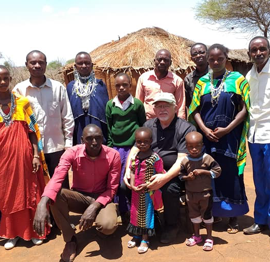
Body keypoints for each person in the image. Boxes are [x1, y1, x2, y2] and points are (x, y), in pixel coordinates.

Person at [33, 124, 121, 262]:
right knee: (55, 195)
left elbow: (112, 188)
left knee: (108, 226)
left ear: (103, 138)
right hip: (79, 197)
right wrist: (42, 203)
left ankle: (102, 218)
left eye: (98, 138)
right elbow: (57, 177)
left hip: (102, 198)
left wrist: (94, 206)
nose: (94, 143)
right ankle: (70, 240)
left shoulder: (113, 155)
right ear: (81, 140)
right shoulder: (72, 153)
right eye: (89, 138)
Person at [189, 44, 250, 234]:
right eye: (212, 59)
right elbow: (195, 110)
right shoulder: (202, 83)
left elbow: (244, 108)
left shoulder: (238, 79)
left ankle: (233, 218)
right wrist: (205, 129)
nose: (216, 62)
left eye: (220, 59)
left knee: (230, 174)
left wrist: (227, 129)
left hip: (229, 136)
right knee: (210, 175)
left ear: (226, 58)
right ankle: (213, 214)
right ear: (208, 60)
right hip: (207, 138)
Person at [124, 92, 196, 244]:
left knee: (170, 189)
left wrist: (164, 178)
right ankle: (139, 222)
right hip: (145, 170)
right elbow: (135, 149)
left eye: (166, 106)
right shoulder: (148, 125)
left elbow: (182, 160)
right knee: (125, 185)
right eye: (158, 106)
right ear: (154, 109)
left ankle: (172, 225)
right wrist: (128, 172)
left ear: (175, 108)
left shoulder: (185, 128)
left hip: (173, 173)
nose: (162, 109)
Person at [0, 65, 50, 250]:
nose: (3, 82)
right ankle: (11, 234)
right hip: (3, 162)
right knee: (7, 196)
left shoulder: (22, 102)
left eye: (6, 78)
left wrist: (36, 155)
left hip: (26, 158)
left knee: (30, 192)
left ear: (10, 79)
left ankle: (35, 231)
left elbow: (32, 132)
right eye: (0, 79)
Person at [14, 50, 74, 189]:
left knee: (60, 187)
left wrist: (68, 144)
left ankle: (60, 212)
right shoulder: (19, 90)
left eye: (41, 62)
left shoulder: (58, 88)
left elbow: (67, 117)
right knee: (35, 186)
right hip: (31, 150)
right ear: (26, 65)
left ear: (46, 65)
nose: (37, 65)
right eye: (33, 62)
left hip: (56, 147)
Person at [106, 73, 146, 214]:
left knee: (129, 178)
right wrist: (111, 147)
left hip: (132, 148)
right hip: (116, 148)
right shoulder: (111, 105)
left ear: (130, 85)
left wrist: (139, 145)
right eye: (118, 85)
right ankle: (120, 209)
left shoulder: (137, 104)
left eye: (124, 85)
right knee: (115, 178)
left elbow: (142, 125)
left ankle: (132, 210)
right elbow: (109, 128)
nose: (121, 88)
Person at [243, 36, 270, 235]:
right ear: (249, 53)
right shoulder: (248, 76)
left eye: (262, 49)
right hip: (254, 135)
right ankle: (260, 220)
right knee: (259, 181)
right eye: (254, 49)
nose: (258, 53)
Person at [179, 131, 221, 251]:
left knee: (207, 216)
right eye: (190, 147)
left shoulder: (207, 158)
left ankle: (209, 237)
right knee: (194, 216)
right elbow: (181, 175)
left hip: (205, 194)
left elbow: (217, 171)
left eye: (197, 146)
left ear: (202, 145)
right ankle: (197, 236)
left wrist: (204, 172)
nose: (194, 149)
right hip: (191, 194)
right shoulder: (185, 160)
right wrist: (188, 177)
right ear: (186, 146)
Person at [127, 127, 164, 254]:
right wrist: (132, 184)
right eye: (139, 141)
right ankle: (136, 235)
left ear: (151, 141)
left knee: (146, 214)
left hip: (149, 192)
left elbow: (160, 174)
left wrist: (147, 185)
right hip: (135, 191)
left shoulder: (155, 158)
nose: (142, 144)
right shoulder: (135, 156)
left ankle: (145, 239)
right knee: (135, 213)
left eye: (145, 141)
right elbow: (132, 170)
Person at [67, 52, 109, 145]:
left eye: (87, 63)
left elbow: (104, 109)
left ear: (92, 65)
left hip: (97, 126)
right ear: (75, 66)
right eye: (80, 63)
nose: (84, 65)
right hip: (79, 127)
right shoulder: (71, 86)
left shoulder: (100, 85)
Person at [135, 49, 186, 120]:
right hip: (148, 122)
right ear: (154, 61)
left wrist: (181, 126)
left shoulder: (177, 81)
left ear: (170, 63)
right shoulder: (144, 78)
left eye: (166, 60)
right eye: (159, 59)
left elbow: (180, 106)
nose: (162, 62)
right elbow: (138, 103)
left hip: (169, 123)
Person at [184, 43, 208, 108]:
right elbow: (188, 104)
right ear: (191, 58)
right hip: (196, 116)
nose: (198, 55)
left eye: (201, 52)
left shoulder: (217, 74)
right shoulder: (188, 79)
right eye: (195, 54)